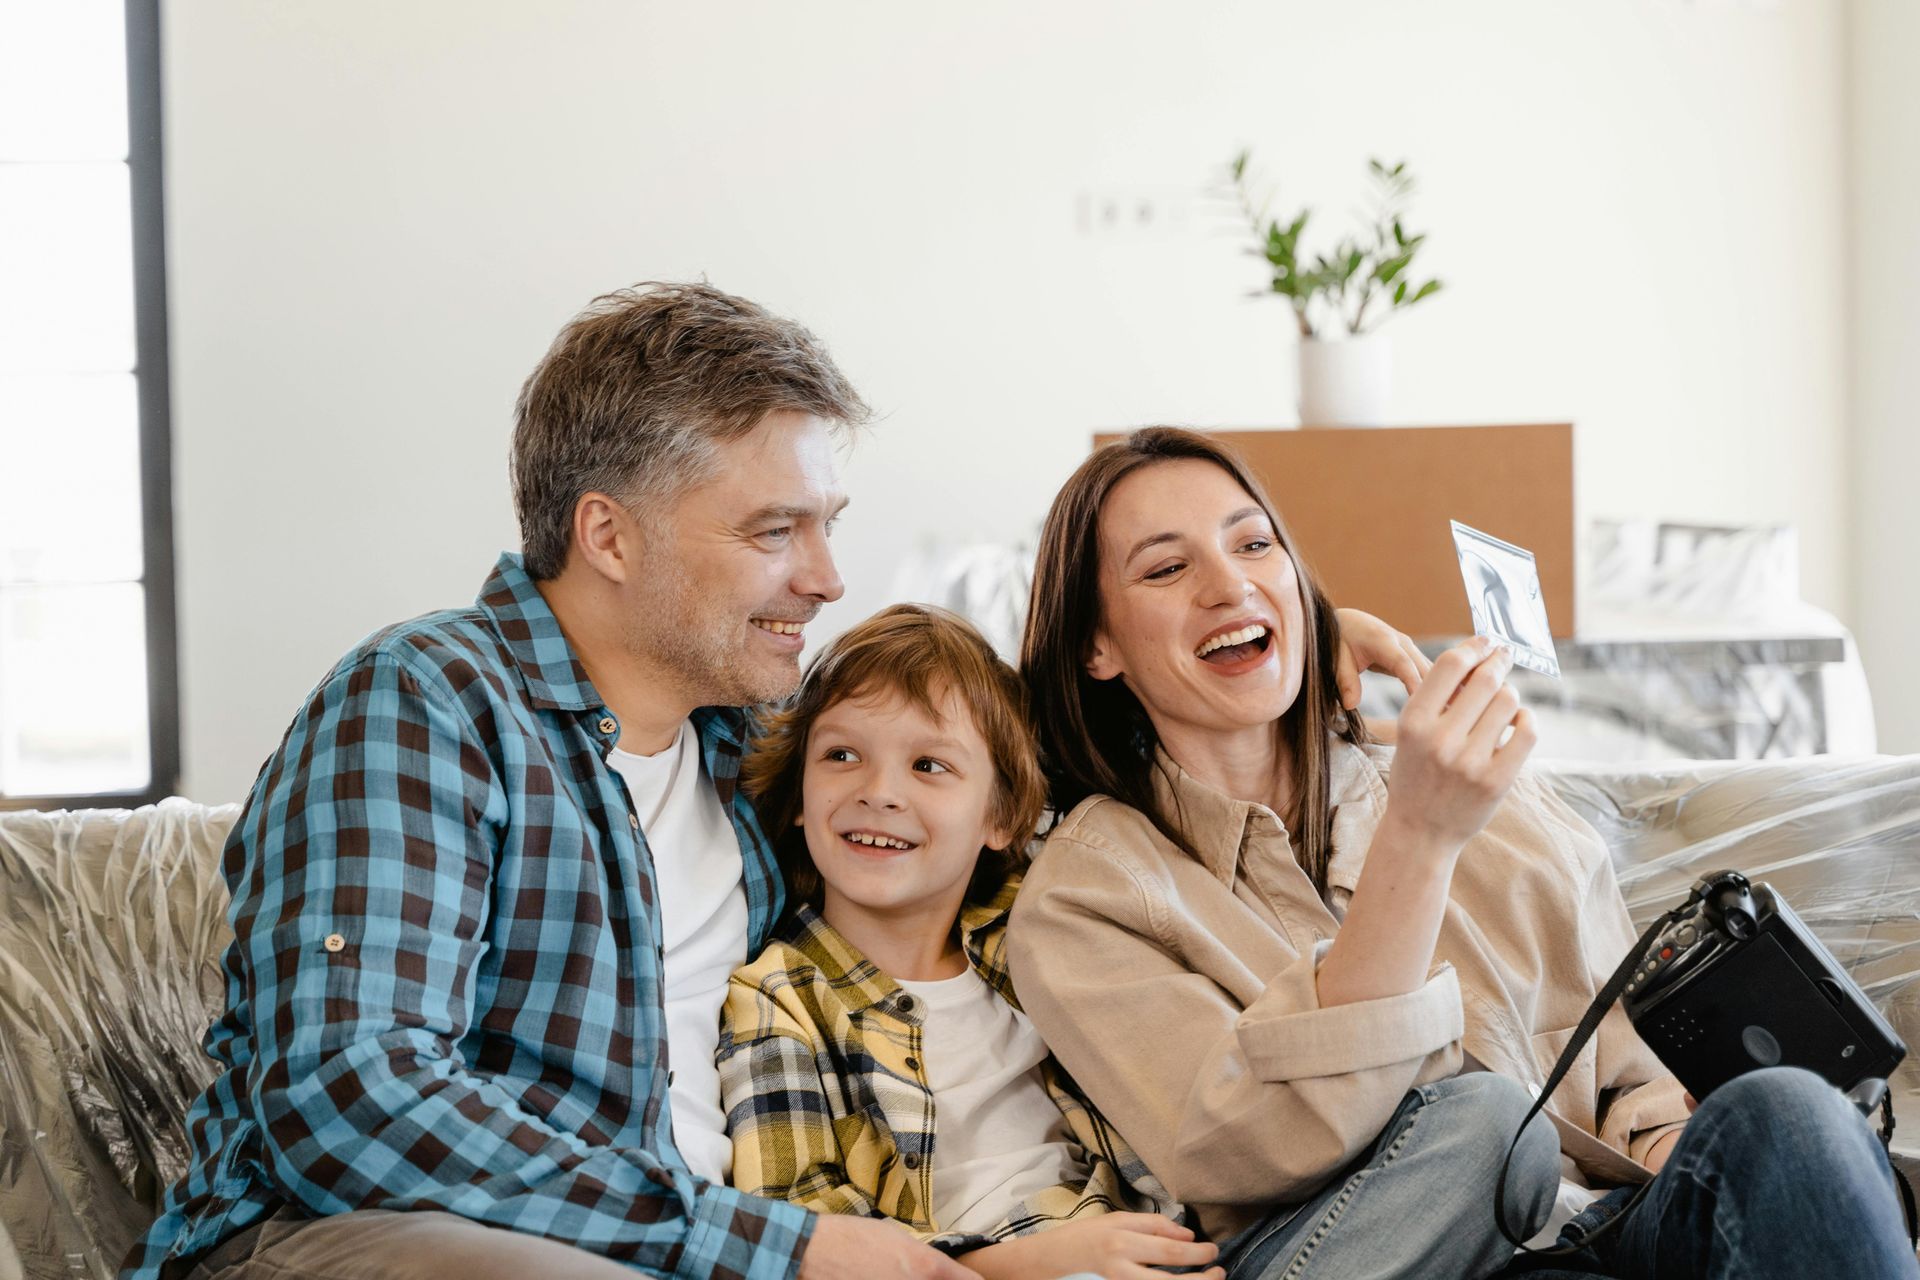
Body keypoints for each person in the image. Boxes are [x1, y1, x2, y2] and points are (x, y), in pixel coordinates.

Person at [121, 286, 1426, 1280]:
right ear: (608, 534)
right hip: (357, 1244)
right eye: (772, 531)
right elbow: (351, 1100)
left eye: (829, 527)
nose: (825, 576)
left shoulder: (765, 746)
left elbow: (981, 745)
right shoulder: (428, 703)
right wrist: (778, 1246)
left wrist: (1291, 649)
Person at [1008, 426, 1919, 1280]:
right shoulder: (1085, 896)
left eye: (1253, 546)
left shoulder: (1483, 790)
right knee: (1487, 1127)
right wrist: (1420, 839)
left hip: (1607, 1223)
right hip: (1403, 1249)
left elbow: (1626, 1067)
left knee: (1791, 1114)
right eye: (1167, 568)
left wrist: (1666, 1139)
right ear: (1095, 645)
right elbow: (1243, 1151)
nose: (1230, 585)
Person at [719, 603, 1221, 1280]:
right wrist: (1046, 1260)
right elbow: (807, 1233)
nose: (880, 792)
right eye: (841, 754)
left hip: (1165, 1241)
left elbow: (1163, 756)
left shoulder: (1037, 924)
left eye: (929, 766)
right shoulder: (780, 997)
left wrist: (1326, 646)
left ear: (1003, 817)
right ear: (801, 792)